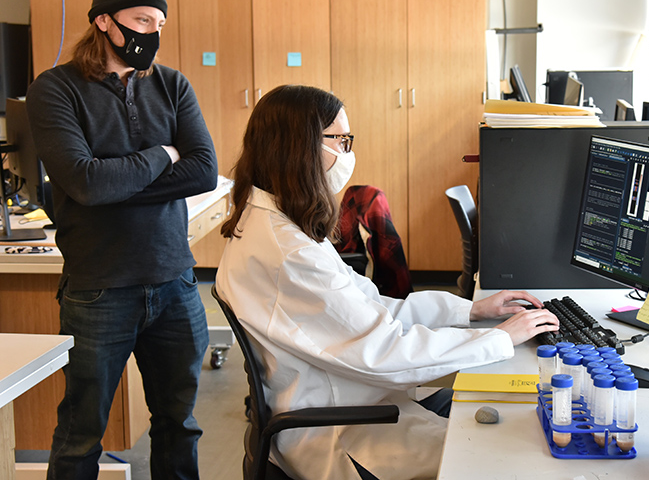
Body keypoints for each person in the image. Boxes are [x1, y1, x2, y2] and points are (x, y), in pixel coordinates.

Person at [215, 84, 559, 480]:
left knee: (506, 424)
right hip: (343, 432)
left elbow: (372, 306)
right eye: (339, 140)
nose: (348, 152)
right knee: (514, 457)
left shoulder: (274, 225)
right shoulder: (290, 252)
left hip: (348, 400)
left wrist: (472, 310)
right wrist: (498, 340)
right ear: (298, 147)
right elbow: (386, 354)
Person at [25, 0, 218, 480]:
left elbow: (202, 170)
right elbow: (86, 185)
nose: (150, 33)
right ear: (104, 22)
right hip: (98, 291)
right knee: (82, 432)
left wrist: (115, 184)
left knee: (180, 424)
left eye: (158, 24)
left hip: (175, 281)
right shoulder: (55, 89)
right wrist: (161, 154)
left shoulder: (172, 84)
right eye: (140, 21)